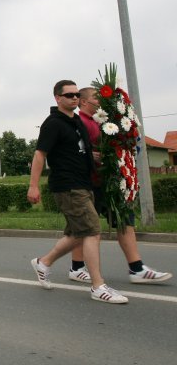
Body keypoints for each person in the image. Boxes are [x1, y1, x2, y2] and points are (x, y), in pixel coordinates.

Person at [28, 80, 127, 303]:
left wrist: (94, 157)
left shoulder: (76, 122)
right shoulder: (53, 123)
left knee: (76, 234)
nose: (73, 98)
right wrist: (33, 186)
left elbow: (77, 149)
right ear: (57, 98)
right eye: (69, 95)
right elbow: (40, 154)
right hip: (67, 185)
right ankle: (98, 286)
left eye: (75, 94)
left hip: (84, 183)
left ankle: (43, 262)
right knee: (92, 231)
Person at [68, 87, 171, 284]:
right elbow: (72, 150)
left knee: (124, 220)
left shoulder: (103, 121)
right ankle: (75, 267)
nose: (99, 102)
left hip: (110, 180)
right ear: (83, 102)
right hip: (90, 183)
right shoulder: (79, 122)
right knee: (82, 228)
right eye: (96, 98)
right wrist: (91, 155)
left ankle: (137, 268)